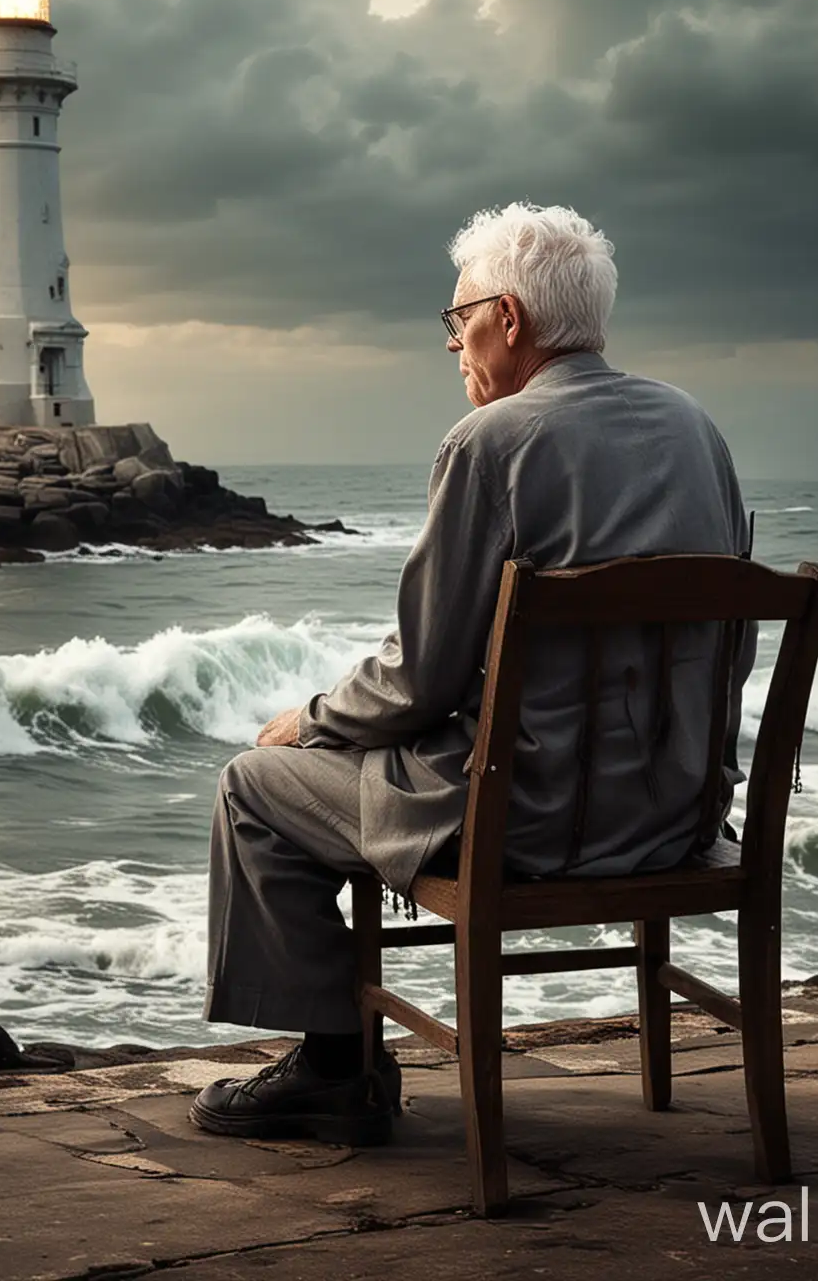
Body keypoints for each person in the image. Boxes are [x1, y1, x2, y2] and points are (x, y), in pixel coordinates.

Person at [190, 202, 755, 1146]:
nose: (454, 343)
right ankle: (340, 1062)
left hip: (533, 824)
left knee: (253, 786)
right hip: (678, 816)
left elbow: (421, 678)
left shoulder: (490, 445)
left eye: (459, 320)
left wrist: (313, 719)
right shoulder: (699, 431)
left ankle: (338, 1067)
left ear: (511, 319)